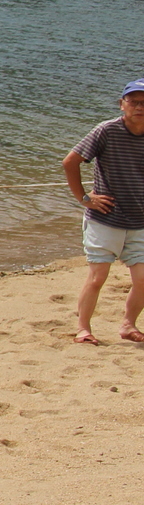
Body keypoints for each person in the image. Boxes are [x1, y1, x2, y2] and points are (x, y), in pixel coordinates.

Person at [64, 78, 144, 345]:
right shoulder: (106, 130)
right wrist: (84, 198)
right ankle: (83, 328)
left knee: (143, 280)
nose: (139, 107)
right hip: (105, 218)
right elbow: (70, 161)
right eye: (133, 101)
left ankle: (127, 325)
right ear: (122, 104)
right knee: (98, 277)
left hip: (140, 221)